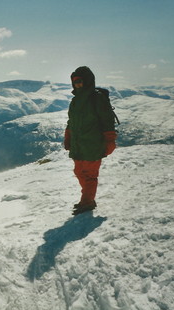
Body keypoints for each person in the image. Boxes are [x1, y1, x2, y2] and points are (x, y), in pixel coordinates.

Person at [64, 66, 117, 215]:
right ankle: (88, 199)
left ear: (87, 81)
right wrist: (68, 137)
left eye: (80, 81)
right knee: (79, 172)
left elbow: (107, 121)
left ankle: (87, 202)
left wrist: (110, 140)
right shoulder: (75, 101)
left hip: (93, 143)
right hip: (79, 144)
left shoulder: (97, 98)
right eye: (74, 82)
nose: (77, 85)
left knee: (89, 175)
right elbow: (71, 122)